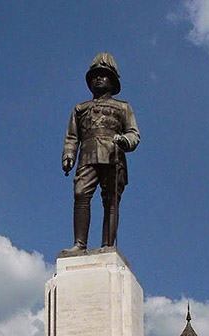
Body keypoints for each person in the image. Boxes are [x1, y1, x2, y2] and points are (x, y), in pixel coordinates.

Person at [61, 52, 140, 253]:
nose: (98, 79)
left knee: (110, 201)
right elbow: (72, 136)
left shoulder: (123, 107)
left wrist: (125, 141)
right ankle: (79, 244)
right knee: (80, 194)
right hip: (87, 157)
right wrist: (69, 155)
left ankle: (107, 244)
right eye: (95, 75)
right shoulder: (80, 108)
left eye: (103, 75)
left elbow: (134, 134)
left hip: (113, 156)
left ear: (112, 81)